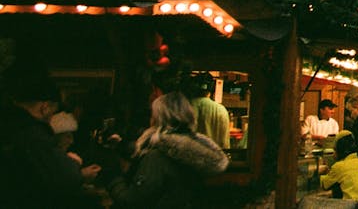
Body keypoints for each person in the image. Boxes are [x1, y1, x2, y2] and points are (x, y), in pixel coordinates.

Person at [108, 92, 229, 208]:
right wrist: (122, 146)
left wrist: (113, 177)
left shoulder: (157, 157)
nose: (150, 120)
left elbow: (132, 201)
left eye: (152, 115)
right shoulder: (193, 154)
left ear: (158, 120)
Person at [0, 67, 100, 208]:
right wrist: (77, 169)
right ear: (45, 107)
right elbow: (64, 178)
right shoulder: (32, 133)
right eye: (53, 111)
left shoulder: (10, 125)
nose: (52, 118)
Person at [320, 131, 358, 208]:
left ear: (339, 150)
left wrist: (320, 172)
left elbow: (324, 185)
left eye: (335, 150)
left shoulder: (339, 167)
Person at [184, 72, 230, 150]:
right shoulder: (221, 110)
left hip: (190, 157)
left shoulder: (185, 106)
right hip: (213, 157)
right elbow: (225, 143)